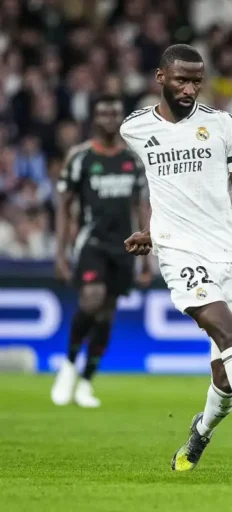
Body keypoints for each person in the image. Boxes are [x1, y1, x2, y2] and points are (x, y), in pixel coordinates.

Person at [120, 44, 232, 475]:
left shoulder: (224, 126)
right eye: (182, 80)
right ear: (160, 78)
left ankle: (201, 430)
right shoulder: (135, 129)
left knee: (225, 376)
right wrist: (157, 233)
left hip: (229, 255)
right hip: (180, 254)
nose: (190, 88)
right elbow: (159, 186)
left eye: (197, 81)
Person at [51, 95, 151, 408]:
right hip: (92, 242)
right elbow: (64, 207)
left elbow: (143, 207)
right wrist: (60, 253)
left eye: (115, 113)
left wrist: (148, 256)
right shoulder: (80, 157)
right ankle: (68, 365)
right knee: (91, 299)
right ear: (94, 118)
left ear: (121, 118)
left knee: (107, 313)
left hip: (125, 247)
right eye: (103, 113)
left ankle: (86, 382)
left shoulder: (134, 159)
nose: (109, 118)